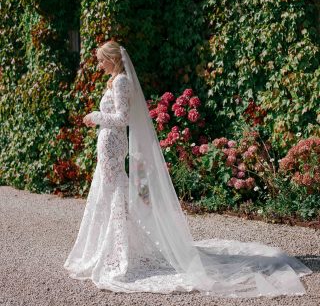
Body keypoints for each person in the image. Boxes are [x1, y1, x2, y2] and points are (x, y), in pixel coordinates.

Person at [63, 40, 312, 297]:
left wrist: (96, 117)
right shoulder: (114, 80)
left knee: (116, 193)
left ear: (112, 58)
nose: (98, 64)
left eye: (101, 59)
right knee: (110, 194)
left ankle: (120, 250)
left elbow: (122, 119)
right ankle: (115, 247)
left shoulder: (121, 82)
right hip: (109, 145)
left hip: (113, 145)